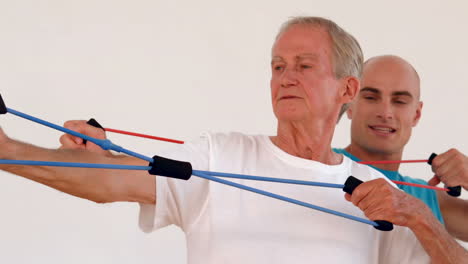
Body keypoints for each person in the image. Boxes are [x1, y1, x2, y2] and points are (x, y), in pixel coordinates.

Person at [0, 17, 428, 263]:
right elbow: (110, 180)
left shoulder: (383, 198)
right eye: (278, 66)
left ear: (347, 90)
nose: (286, 77)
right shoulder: (219, 154)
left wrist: (421, 219)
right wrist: (9, 151)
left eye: (303, 65)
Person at [336, 55, 468, 263]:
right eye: (371, 97)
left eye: (399, 101)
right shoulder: (318, 163)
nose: (385, 112)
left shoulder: (427, 197)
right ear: (349, 103)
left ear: (416, 114)